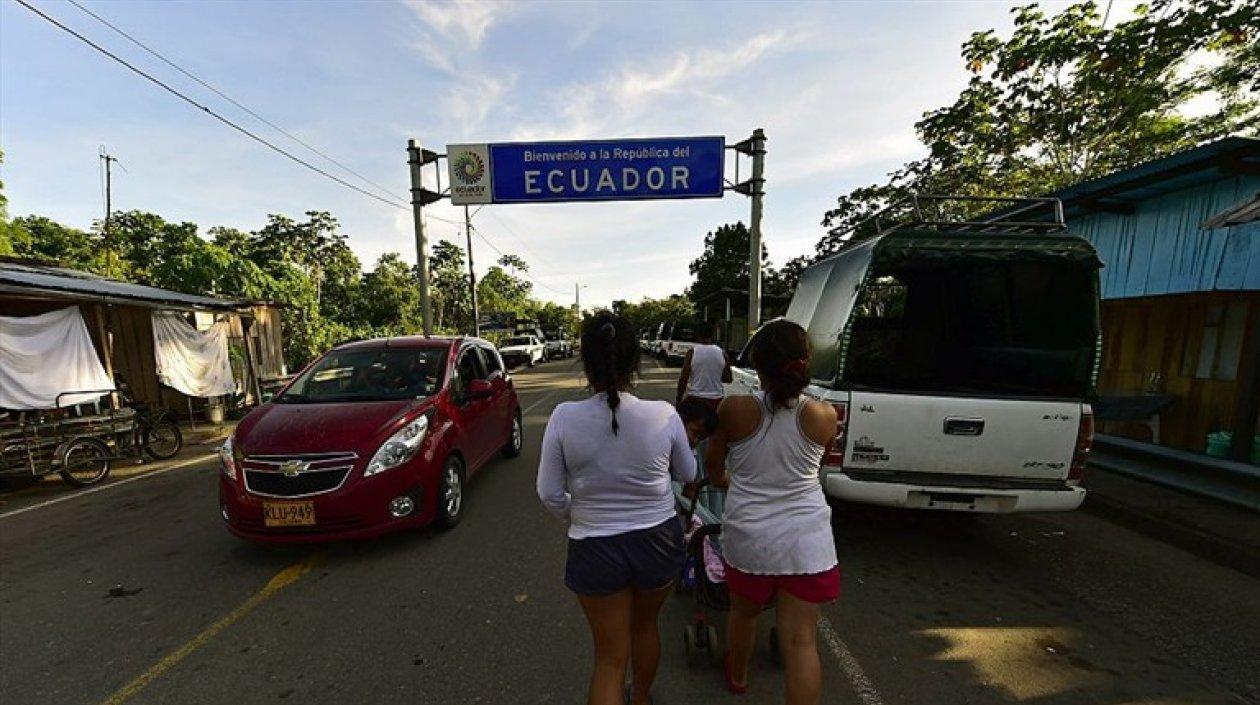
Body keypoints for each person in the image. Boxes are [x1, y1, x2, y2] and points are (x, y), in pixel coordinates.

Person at [537, 313, 698, 705]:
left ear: (586, 363)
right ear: (634, 362)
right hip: (658, 542)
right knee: (645, 628)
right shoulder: (663, 414)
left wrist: (581, 517)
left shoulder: (563, 418)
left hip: (595, 548)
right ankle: (640, 698)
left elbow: (549, 493)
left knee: (609, 658)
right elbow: (689, 473)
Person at [704, 319, 840, 705]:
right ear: (804, 362)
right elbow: (819, 466)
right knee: (801, 643)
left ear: (758, 365)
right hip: (806, 543)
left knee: (743, 615)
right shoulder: (824, 415)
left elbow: (714, 469)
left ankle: (739, 677)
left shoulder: (734, 409)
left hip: (750, 539)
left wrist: (732, 483)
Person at [675, 322, 732, 410]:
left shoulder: (692, 353)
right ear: (712, 335)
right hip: (717, 401)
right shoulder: (722, 353)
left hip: (696, 399)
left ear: (697, 335)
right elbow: (728, 379)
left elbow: (684, 378)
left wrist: (679, 398)